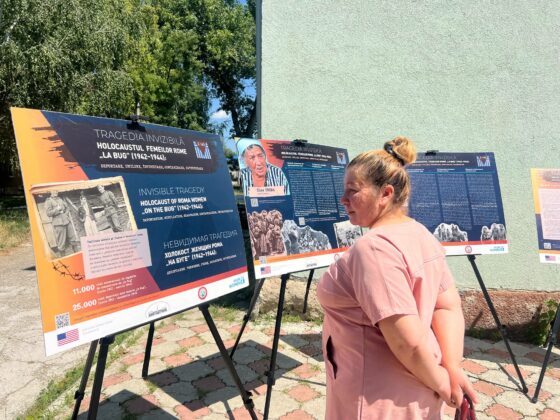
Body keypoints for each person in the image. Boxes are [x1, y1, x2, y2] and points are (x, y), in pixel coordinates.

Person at [316, 136, 477, 419]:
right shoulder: (421, 234)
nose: (343, 199)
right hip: (415, 393)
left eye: (352, 190)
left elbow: (408, 343)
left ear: (386, 193)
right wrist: (451, 368)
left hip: (375, 401)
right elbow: (447, 306)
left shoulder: (374, 248)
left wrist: (446, 386)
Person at [45, 190, 79, 256]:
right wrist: (57, 210)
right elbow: (48, 213)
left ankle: (77, 254)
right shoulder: (48, 201)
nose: (55, 192)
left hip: (67, 221)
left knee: (73, 238)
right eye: (54, 191)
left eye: (56, 191)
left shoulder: (60, 199)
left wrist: (66, 214)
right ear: (51, 192)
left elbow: (67, 207)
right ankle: (63, 257)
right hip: (58, 223)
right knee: (61, 242)